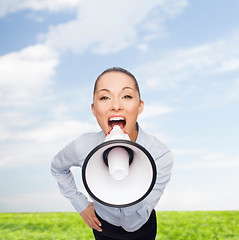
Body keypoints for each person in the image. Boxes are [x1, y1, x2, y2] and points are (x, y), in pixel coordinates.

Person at [51, 67, 173, 240]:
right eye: (105, 97)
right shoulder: (83, 146)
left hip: (141, 227)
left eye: (127, 96)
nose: (116, 106)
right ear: (94, 109)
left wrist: (130, 186)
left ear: (140, 106)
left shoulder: (160, 155)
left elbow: (132, 224)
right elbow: (57, 168)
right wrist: (81, 205)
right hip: (102, 226)